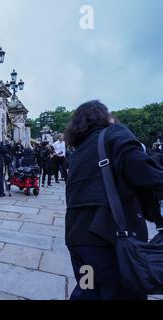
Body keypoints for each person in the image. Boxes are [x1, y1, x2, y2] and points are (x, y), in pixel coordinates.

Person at [65, 100, 163, 300]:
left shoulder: (78, 151)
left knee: (88, 289)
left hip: (78, 239)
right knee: (120, 294)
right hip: (107, 240)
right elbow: (146, 174)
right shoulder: (114, 135)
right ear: (103, 116)